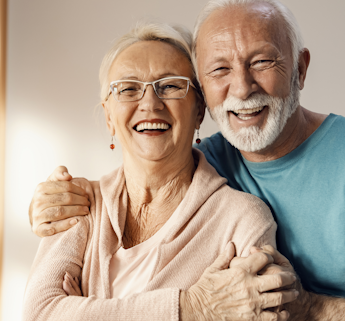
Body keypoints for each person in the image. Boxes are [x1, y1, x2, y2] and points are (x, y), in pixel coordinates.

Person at [28, 0, 345, 320]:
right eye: (219, 69)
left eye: (262, 61)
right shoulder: (208, 159)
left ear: (300, 69)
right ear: (205, 99)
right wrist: (54, 200)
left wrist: (314, 309)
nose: (243, 87)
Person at [22, 22, 300, 321]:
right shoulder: (77, 203)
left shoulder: (242, 219)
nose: (150, 104)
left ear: (198, 111)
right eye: (128, 89)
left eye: (170, 86)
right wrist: (193, 307)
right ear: (109, 117)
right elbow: (39, 313)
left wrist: (80, 310)